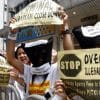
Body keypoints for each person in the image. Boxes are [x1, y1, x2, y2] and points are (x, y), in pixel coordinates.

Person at [6, 7, 74, 100]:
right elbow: (10, 58)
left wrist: (65, 27)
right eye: (34, 51)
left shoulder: (54, 69)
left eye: (42, 51)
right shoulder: (28, 71)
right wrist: (12, 33)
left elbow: (69, 55)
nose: (39, 55)